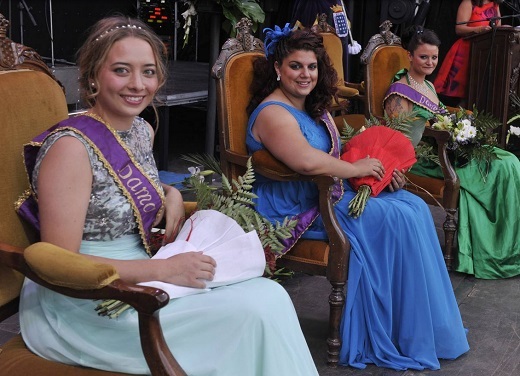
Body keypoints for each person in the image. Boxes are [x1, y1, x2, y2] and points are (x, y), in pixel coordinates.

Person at [17, 15, 319, 376]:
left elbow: (116, 193)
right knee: (253, 314)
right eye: (121, 70)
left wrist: (170, 193)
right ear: (93, 75)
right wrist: (164, 269)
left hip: (143, 272)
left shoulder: (141, 129)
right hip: (86, 303)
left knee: (270, 298)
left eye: (148, 72)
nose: (137, 84)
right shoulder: (70, 148)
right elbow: (61, 263)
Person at [246, 24, 469, 371]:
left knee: (412, 208)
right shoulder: (274, 113)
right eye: (295, 66)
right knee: (395, 218)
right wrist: (357, 170)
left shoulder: (309, 107)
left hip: (329, 193)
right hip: (297, 207)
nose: (305, 74)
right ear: (278, 68)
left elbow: (336, 153)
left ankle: (411, 329)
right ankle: (391, 331)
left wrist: (378, 174)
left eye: (312, 66)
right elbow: (305, 161)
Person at [384, 25, 520, 280]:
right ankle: (494, 251)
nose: (430, 62)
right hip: (424, 158)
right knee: (500, 166)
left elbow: (440, 115)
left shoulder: (429, 86)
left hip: (445, 148)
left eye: (434, 57)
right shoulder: (399, 92)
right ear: (410, 56)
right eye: (423, 57)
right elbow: (398, 138)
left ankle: (510, 244)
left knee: (510, 161)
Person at [433, 0, 503, 105]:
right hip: (466, 52)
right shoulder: (468, 3)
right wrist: (479, 30)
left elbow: (498, 28)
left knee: (473, 94)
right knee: (455, 94)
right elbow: (459, 28)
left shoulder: (495, 5)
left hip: (485, 54)